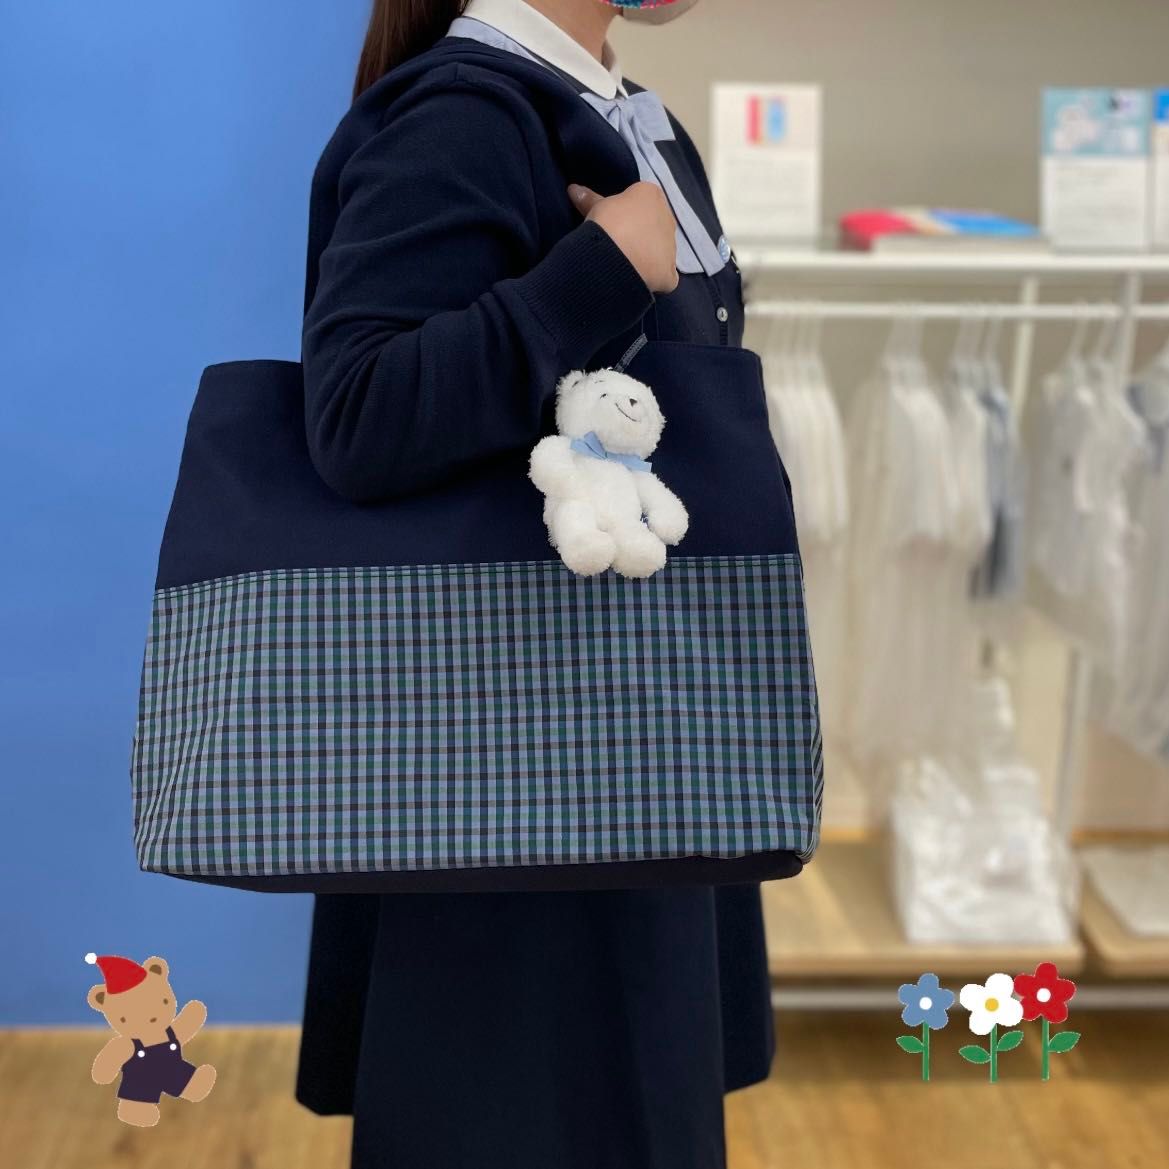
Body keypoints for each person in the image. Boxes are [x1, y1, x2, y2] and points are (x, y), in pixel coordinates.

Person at [294, 3, 775, 1167]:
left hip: (618, 749)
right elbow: (357, 415)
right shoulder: (463, 115)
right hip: (515, 792)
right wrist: (595, 274)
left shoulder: (615, 109)